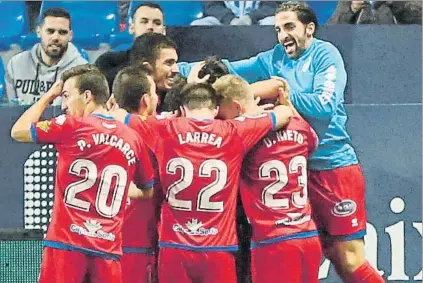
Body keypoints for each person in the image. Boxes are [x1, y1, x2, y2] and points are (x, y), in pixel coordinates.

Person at [184, 2, 384, 282]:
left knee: (348, 260)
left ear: (310, 28)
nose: (283, 36)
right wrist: (181, 71)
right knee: (304, 257)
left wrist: (282, 95)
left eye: (290, 27)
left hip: (333, 168)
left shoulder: (325, 55)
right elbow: (230, 69)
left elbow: (326, 105)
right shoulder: (274, 58)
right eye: (278, 29)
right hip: (297, 175)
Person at [110, 80, 293, 283]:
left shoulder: (164, 128)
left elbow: (118, 116)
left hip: (174, 247)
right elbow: (285, 113)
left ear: (182, 109)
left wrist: (163, 116)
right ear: (215, 109)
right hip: (218, 247)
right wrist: (250, 116)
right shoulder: (235, 131)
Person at [10, 64, 154, 283]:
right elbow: (147, 190)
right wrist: (119, 190)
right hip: (107, 249)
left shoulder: (72, 126)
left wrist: (49, 95)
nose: (64, 104)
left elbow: (18, 131)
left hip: (67, 245)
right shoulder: (132, 138)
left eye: (67, 95)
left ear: (87, 96)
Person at [213, 74, 322, 283]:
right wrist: (288, 107)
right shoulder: (298, 124)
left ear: (236, 107)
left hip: (273, 243)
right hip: (307, 236)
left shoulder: (240, 137)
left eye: (223, 117)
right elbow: (314, 142)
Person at [111, 65, 160, 283]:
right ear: (146, 101)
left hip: (101, 240)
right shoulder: (154, 128)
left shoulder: (94, 127)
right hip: (138, 241)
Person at [5, 8, 88, 106]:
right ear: (38, 31)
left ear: (70, 35)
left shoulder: (81, 71)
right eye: (50, 31)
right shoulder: (16, 64)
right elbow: (10, 110)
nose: (55, 37)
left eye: (62, 32)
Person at [95, 2, 166, 90]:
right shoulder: (108, 62)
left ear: (164, 31)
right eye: (144, 21)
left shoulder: (175, 67)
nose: (150, 27)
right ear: (131, 28)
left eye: (157, 23)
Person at [129, 33, 179, 112]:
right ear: (146, 69)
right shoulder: (126, 105)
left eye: (175, 62)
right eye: (169, 63)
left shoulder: (178, 95)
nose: (176, 70)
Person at [191, 1, 278, 26]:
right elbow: (212, 6)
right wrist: (230, 19)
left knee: (274, 23)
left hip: (258, 21)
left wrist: (251, 18)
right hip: (223, 22)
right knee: (198, 25)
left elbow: (271, 6)